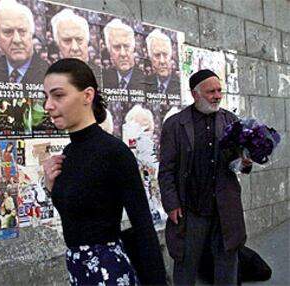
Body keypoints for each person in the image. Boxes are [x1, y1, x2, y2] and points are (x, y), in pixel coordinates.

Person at [42, 58, 165, 285]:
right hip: (79, 271)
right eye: (46, 97)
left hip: (109, 272)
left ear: (88, 96)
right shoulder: (68, 154)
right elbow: (79, 217)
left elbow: (144, 228)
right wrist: (52, 188)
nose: (48, 105)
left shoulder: (114, 152)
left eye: (58, 95)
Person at [158, 69, 253, 285]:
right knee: (186, 263)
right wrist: (171, 204)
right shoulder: (175, 125)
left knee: (227, 261)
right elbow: (166, 170)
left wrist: (246, 162)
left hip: (224, 208)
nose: (217, 95)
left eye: (219, 90)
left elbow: (240, 163)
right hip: (190, 210)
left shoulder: (231, 121)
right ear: (195, 94)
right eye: (211, 91)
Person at [0, 0, 48, 84]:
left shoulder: (50, 74)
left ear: (32, 33)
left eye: (22, 31)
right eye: (7, 32)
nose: (16, 40)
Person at [50, 8, 101, 83]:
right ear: (57, 43)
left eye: (79, 40)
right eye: (67, 41)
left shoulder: (103, 77)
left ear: (87, 41)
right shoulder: (50, 78)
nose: (75, 48)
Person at [102, 19, 144, 90]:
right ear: (109, 50)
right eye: (117, 47)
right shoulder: (103, 79)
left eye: (126, 46)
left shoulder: (146, 81)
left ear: (133, 48)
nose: (123, 53)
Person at [146, 29, 180, 95]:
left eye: (165, 54)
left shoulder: (181, 84)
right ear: (150, 58)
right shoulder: (145, 85)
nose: (162, 61)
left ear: (171, 55)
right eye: (157, 55)